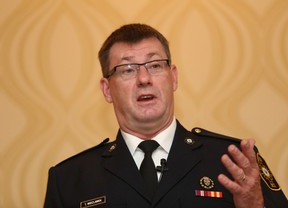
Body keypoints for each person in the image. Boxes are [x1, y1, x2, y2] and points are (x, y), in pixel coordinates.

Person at [44, 23, 287, 208]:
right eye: (127, 69)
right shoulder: (69, 179)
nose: (144, 79)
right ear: (107, 89)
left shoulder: (234, 161)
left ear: (173, 77)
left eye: (155, 65)